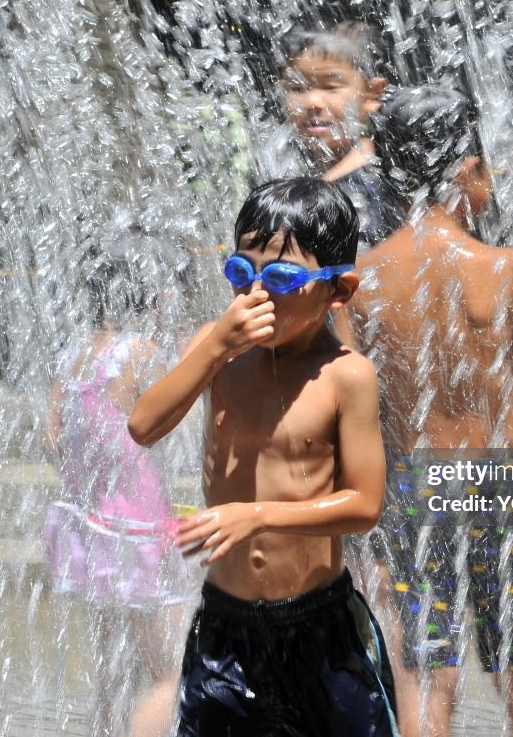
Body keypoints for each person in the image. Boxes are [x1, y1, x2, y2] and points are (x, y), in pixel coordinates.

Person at [127, 177, 399, 736]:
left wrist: (256, 514)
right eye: (241, 273)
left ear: (338, 289)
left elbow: (365, 505)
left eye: (280, 278)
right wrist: (216, 346)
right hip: (226, 628)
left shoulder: (346, 376)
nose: (256, 294)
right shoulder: (219, 350)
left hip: (319, 629)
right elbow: (143, 426)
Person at [339, 86, 513, 737]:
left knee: (429, 677)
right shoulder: (504, 268)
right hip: (496, 485)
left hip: (412, 494)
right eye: (485, 168)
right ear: (465, 169)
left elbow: (362, 410)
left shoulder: (362, 282)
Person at [44, 257, 193, 737]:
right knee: (166, 674)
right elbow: (175, 413)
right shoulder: (140, 351)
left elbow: (53, 437)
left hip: (87, 524)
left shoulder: (72, 355)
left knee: (111, 668)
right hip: (138, 525)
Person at [261, 21, 404, 251]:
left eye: (331, 87)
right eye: (297, 88)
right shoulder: (280, 166)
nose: (313, 103)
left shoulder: (384, 177)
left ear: (372, 94)